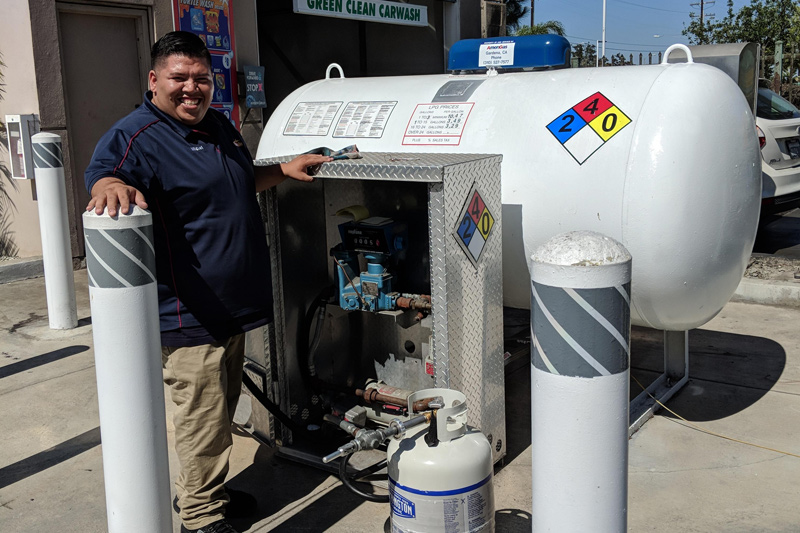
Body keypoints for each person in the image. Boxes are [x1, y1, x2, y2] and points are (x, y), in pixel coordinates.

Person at [84, 31, 331, 533]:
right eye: (180, 78)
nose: (192, 89)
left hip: (232, 307)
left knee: (219, 414)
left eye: (201, 78)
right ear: (154, 81)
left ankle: (207, 492)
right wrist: (110, 186)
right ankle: (199, 519)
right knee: (199, 420)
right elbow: (105, 174)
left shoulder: (218, 124)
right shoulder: (137, 134)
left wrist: (283, 168)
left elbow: (238, 178)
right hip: (188, 313)